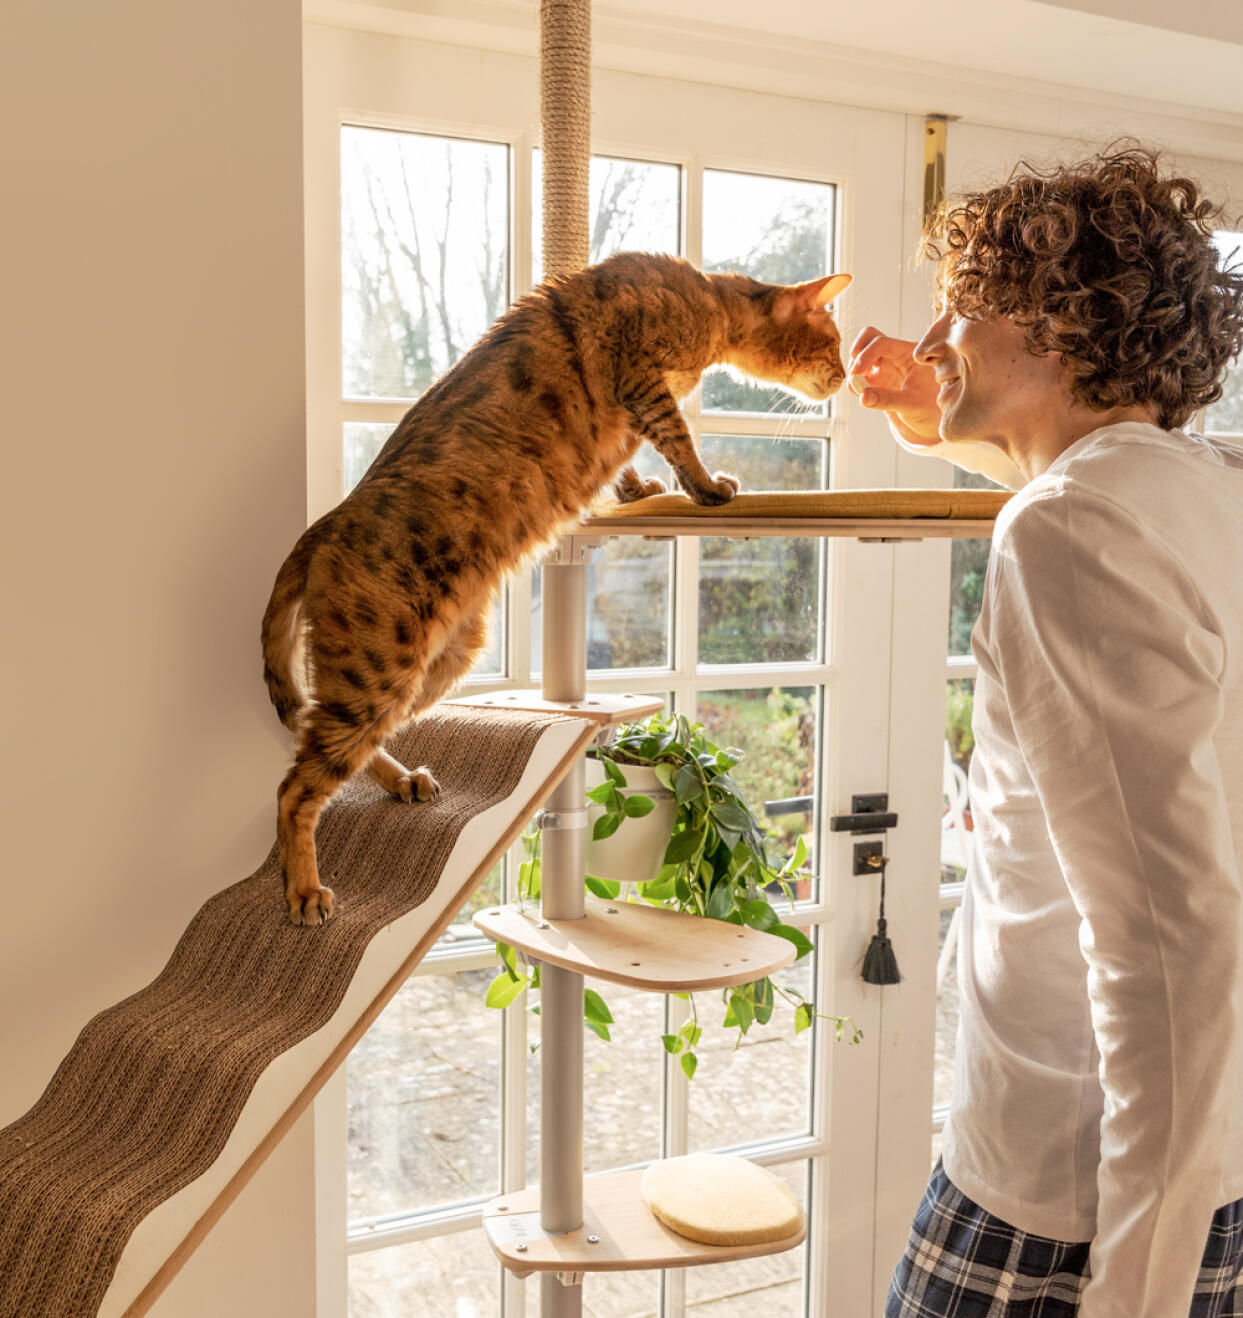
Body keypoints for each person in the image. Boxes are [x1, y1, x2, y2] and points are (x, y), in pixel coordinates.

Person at [847, 144, 1243, 1316]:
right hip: (1187, 1171)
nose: (928, 346)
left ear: (1062, 328)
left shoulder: (1066, 531)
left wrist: (1136, 1292)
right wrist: (952, 425)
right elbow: (1071, 472)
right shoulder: (1197, 486)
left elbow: (1177, 942)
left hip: (1065, 1211)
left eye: (960, 312)